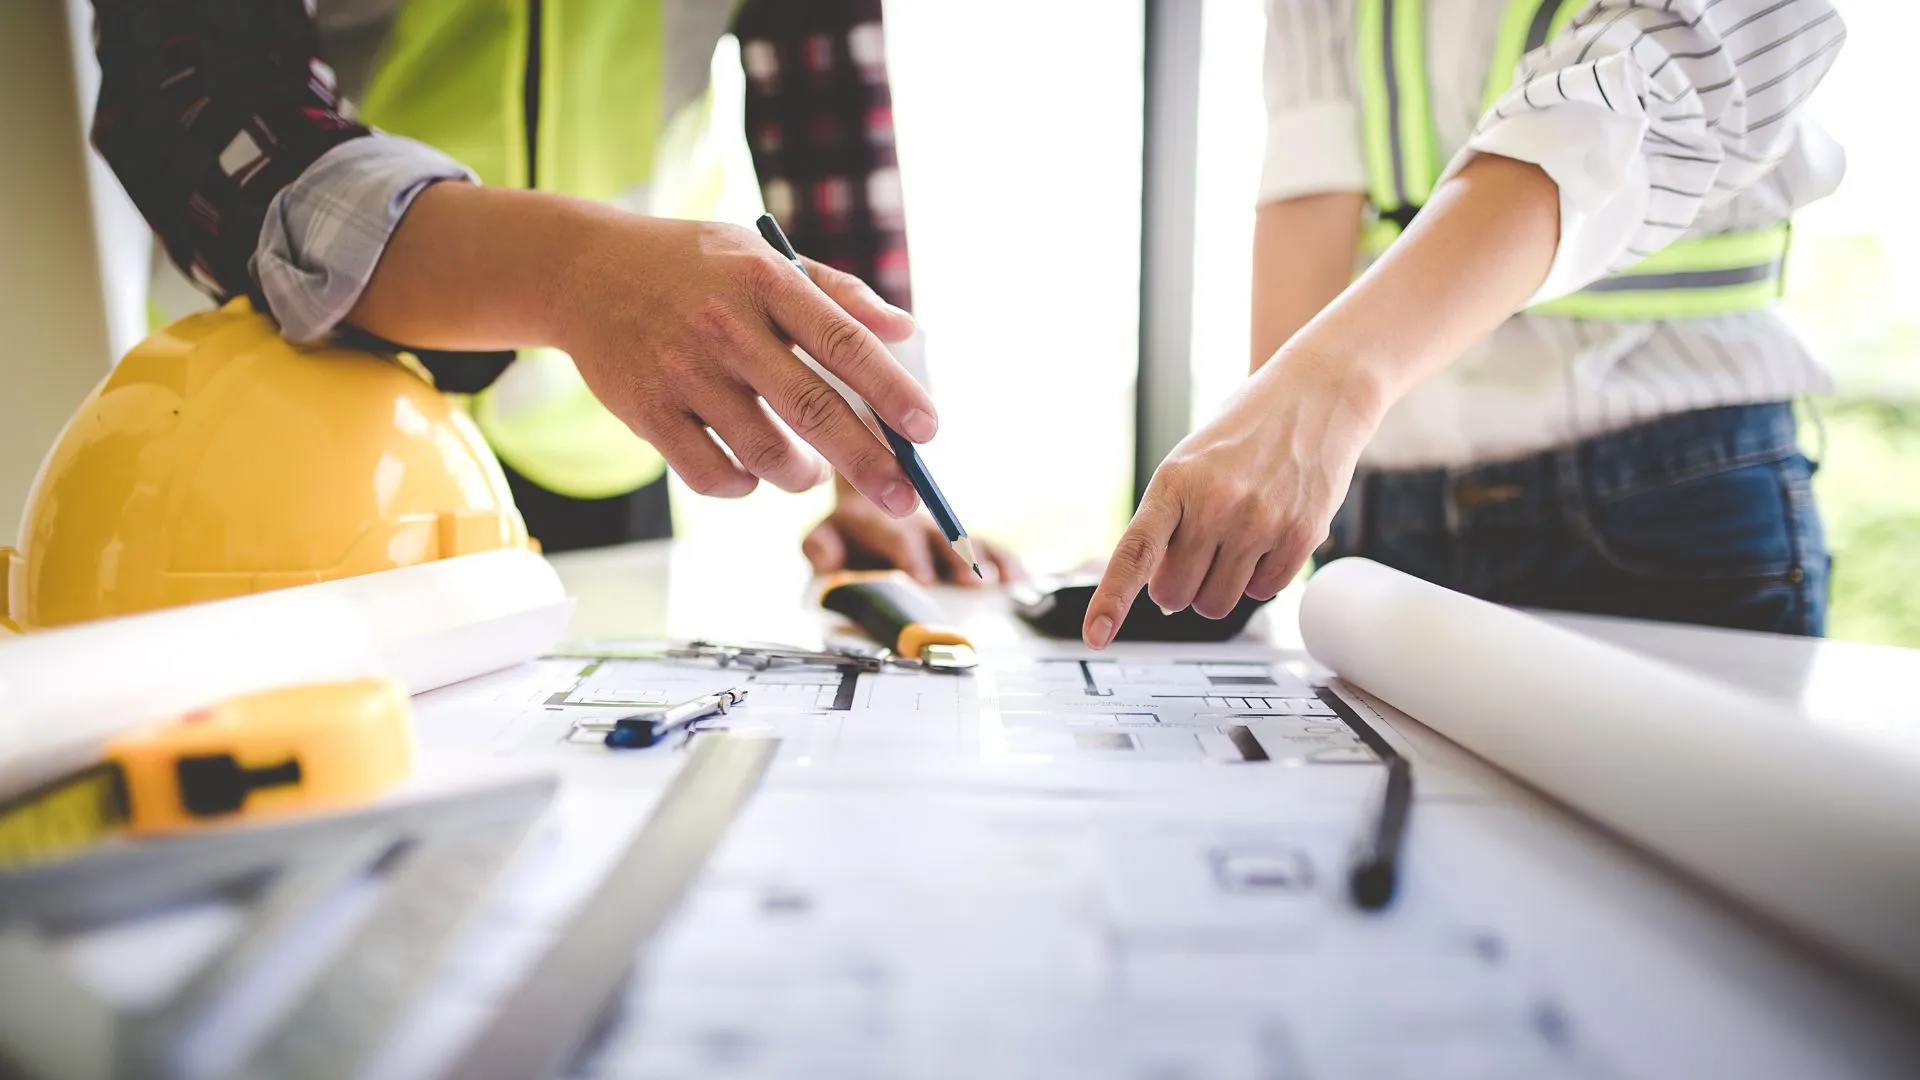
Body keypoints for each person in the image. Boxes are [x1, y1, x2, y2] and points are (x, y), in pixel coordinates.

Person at [86, 0, 1013, 584]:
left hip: (607, 431)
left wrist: (874, 469)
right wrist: (573, 274)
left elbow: (827, 122)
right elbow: (193, 99)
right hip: (279, 413)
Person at [1085, 0, 1846, 648]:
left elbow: (1617, 109)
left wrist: (1327, 389)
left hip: (1667, 504)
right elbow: (1311, 154)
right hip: (1382, 530)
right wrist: (1245, 508)